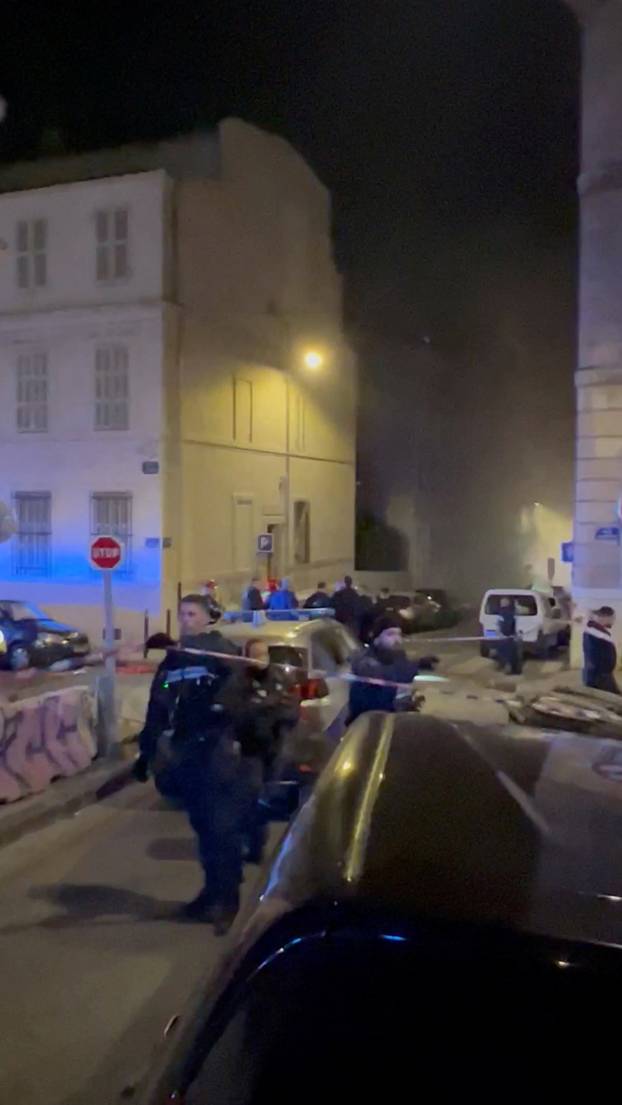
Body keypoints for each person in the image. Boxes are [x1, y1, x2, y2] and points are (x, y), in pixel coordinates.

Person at [134, 594, 242, 932]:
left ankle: (228, 902)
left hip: (219, 753)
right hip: (187, 752)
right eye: (182, 614)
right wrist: (146, 751)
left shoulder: (222, 652)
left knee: (220, 828)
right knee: (203, 828)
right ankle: (210, 895)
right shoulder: (175, 659)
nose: (186, 620)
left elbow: (240, 697)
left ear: (208, 617)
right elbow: (159, 703)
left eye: (193, 613)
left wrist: (221, 712)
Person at [220, 638, 299, 863]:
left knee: (268, 796)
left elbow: (291, 710)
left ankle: (259, 841)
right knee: (252, 795)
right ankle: (254, 844)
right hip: (249, 749)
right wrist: (264, 707)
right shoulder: (238, 681)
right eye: (256, 654)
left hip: (274, 748)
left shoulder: (279, 678)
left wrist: (275, 712)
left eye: (264, 654)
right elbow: (234, 711)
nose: (261, 659)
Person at [348, 615, 420, 723]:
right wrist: (415, 665)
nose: (397, 640)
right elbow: (384, 675)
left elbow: (405, 680)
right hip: (366, 723)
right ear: (376, 638)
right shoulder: (364, 659)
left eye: (399, 634)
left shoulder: (396, 655)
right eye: (390, 634)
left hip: (391, 719)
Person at [583, 605, 620, 693]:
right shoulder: (597, 633)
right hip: (600, 676)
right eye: (612, 618)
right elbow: (597, 656)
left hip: (600, 674)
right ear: (605, 617)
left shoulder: (594, 631)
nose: (613, 621)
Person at [496, 596, 523, 675]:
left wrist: (499, 633)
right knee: (514, 653)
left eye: (501, 602)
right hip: (512, 636)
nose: (501, 604)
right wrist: (517, 634)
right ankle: (515, 669)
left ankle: (507, 667)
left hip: (505, 636)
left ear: (504, 603)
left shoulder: (501, 613)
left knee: (505, 652)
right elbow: (516, 624)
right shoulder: (513, 612)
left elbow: (500, 624)